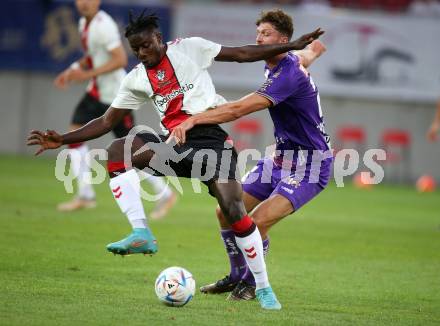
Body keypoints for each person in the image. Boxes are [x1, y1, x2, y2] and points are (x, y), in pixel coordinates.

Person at [27, 10, 323, 309]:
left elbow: (243, 73)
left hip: (282, 157)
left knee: (244, 217)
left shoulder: (191, 49)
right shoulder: (138, 78)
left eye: (146, 45)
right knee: (119, 150)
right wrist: (63, 139)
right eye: (136, 49)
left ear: (159, 38)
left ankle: (259, 286)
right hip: (189, 145)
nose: (142, 53)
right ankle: (143, 232)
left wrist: (295, 47)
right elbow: (106, 121)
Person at [170, 9, 332, 301]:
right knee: (225, 211)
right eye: (258, 32)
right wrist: (315, 50)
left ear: (282, 40)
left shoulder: (288, 74)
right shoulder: (280, 62)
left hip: (311, 166)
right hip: (279, 160)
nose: (258, 38)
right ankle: (235, 276)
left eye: (266, 34)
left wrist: (194, 119)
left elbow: (238, 109)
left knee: (256, 222)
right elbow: (304, 57)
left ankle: (250, 283)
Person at [54, 0, 176, 216]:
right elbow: (93, 56)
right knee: (74, 135)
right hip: (96, 92)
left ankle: (165, 194)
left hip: (115, 97)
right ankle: (85, 195)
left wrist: (87, 75)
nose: (84, 3)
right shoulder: (85, 23)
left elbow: (119, 59)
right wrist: (73, 69)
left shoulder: (104, 25)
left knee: (132, 149)